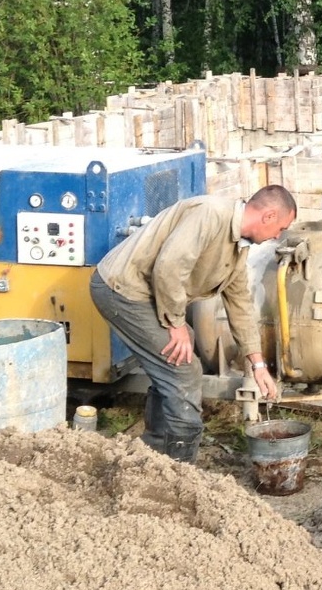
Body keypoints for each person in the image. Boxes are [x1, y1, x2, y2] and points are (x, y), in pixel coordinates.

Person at [89, 185, 297, 462]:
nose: (278, 236)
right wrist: (175, 323)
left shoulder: (238, 246)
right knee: (183, 366)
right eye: (281, 228)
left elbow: (240, 303)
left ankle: (154, 454)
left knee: (178, 360)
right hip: (122, 289)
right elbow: (169, 266)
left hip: (148, 295)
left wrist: (257, 364)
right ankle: (179, 464)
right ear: (268, 216)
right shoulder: (210, 214)